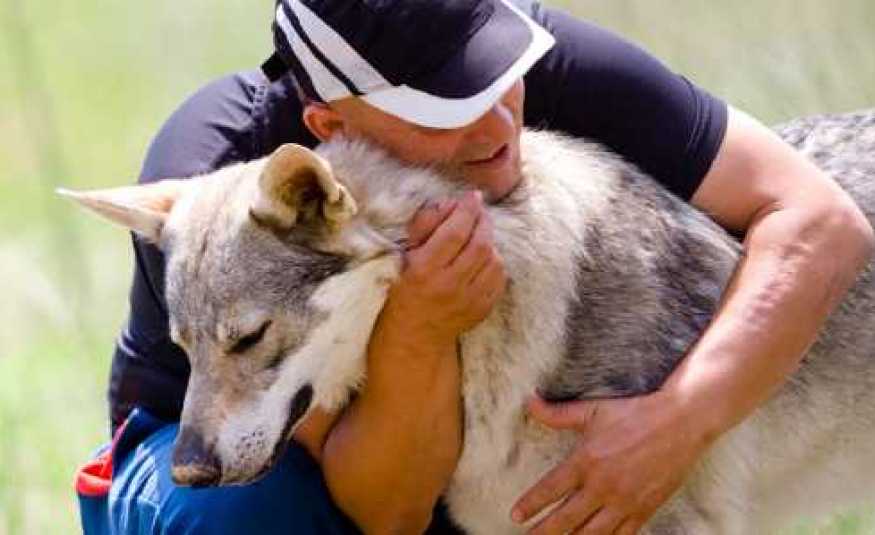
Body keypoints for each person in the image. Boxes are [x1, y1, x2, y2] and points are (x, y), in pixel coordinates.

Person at [75, 0, 874, 533]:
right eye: (442, 105)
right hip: (235, 489)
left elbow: (821, 219)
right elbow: (385, 509)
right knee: (244, 513)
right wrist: (422, 323)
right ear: (329, 123)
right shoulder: (227, 173)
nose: (497, 122)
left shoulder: (534, 52)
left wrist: (672, 423)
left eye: (498, 79)